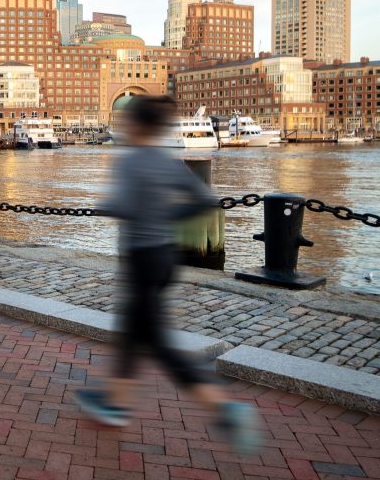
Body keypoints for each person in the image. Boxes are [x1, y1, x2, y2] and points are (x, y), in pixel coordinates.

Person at [76, 95, 260, 454]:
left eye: (128, 121)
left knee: (157, 344)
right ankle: (114, 403)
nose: (124, 127)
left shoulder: (131, 162)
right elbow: (205, 200)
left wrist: (108, 207)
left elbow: (125, 205)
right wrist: (168, 219)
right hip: (164, 259)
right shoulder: (167, 161)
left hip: (142, 259)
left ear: (138, 126)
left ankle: (225, 409)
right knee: (133, 333)